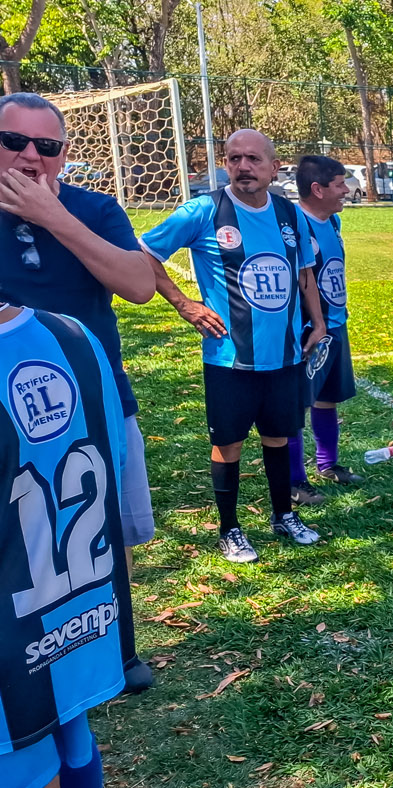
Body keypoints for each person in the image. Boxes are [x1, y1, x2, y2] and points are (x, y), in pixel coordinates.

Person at [0, 91, 158, 693]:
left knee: (106, 531)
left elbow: (139, 285)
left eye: (47, 145)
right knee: (21, 541)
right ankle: (29, 655)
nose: (30, 156)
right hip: (9, 416)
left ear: (64, 153)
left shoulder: (94, 209)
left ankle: (117, 645)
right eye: (14, 141)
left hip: (96, 404)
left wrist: (53, 217)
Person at [142, 128, 327, 564]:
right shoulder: (205, 210)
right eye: (234, 158)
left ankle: (284, 515)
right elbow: (145, 252)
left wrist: (318, 323)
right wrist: (184, 304)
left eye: (253, 159)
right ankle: (230, 529)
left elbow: (304, 273)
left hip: (285, 354)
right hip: (230, 357)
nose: (243, 167)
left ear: (273, 167)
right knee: (229, 444)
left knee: (279, 437)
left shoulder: (290, 213)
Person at [0, 301, 131, 788]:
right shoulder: (75, 337)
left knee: (29, 766)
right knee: (72, 741)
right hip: (77, 615)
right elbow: (115, 469)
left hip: (12, 643)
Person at [286, 155, 362, 505]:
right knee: (297, 404)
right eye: (340, 184)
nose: (346, 190)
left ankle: (327, 464)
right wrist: (311, 325)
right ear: (317, 189)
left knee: (327, 397)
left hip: (335, 325)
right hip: (309, 331)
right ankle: (295, 481)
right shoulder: (293, 224)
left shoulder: (332, 221)